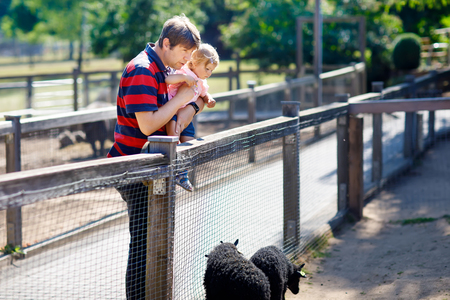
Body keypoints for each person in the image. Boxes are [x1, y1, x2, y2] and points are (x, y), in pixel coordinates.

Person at [107, 15, 204, 300]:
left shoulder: (159, 69)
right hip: (135, 168)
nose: (187, 60)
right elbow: (148, 125)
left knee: (152, 242)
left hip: (149, 167)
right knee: (143, 246)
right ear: (166, 43)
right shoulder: (142, 69)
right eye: (184, 52)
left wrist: (193, 103)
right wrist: (181, 98)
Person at [165, 43, 219, 191]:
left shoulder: (201, 82)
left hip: (187, 119)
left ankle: (183, 174)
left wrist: (209, 99)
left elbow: (203, 94)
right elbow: (167, 79)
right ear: (195, 63)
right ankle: (172, 169)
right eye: (207, 69)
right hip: (172, 114)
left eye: (211, 71)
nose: (209, 73)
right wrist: (182, 77)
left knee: (189, 144)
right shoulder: (183, 72)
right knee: (173, 139)